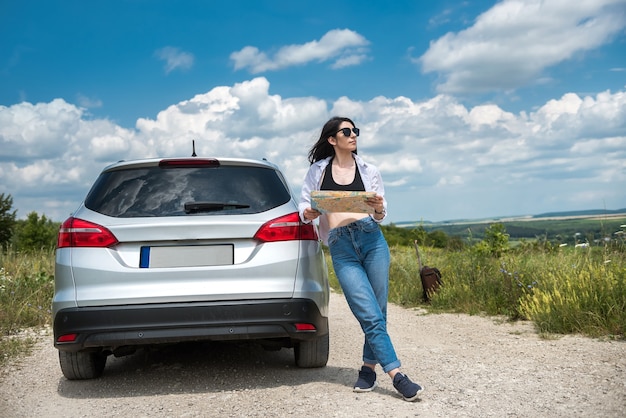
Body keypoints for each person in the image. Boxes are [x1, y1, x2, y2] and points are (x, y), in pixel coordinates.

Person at [298, 116, 424, 402]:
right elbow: (304, 206)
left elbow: (380, 214)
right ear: (333, 139)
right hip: (342, 246)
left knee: (378, 311)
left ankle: (368, 369)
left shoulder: (370, 170)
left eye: (355, 130)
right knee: (368, 312)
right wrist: (309, 214)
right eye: (347, 131)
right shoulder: (317, 171)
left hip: (371, 239)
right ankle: (398, 376)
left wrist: (379, 209)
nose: (353, 135)